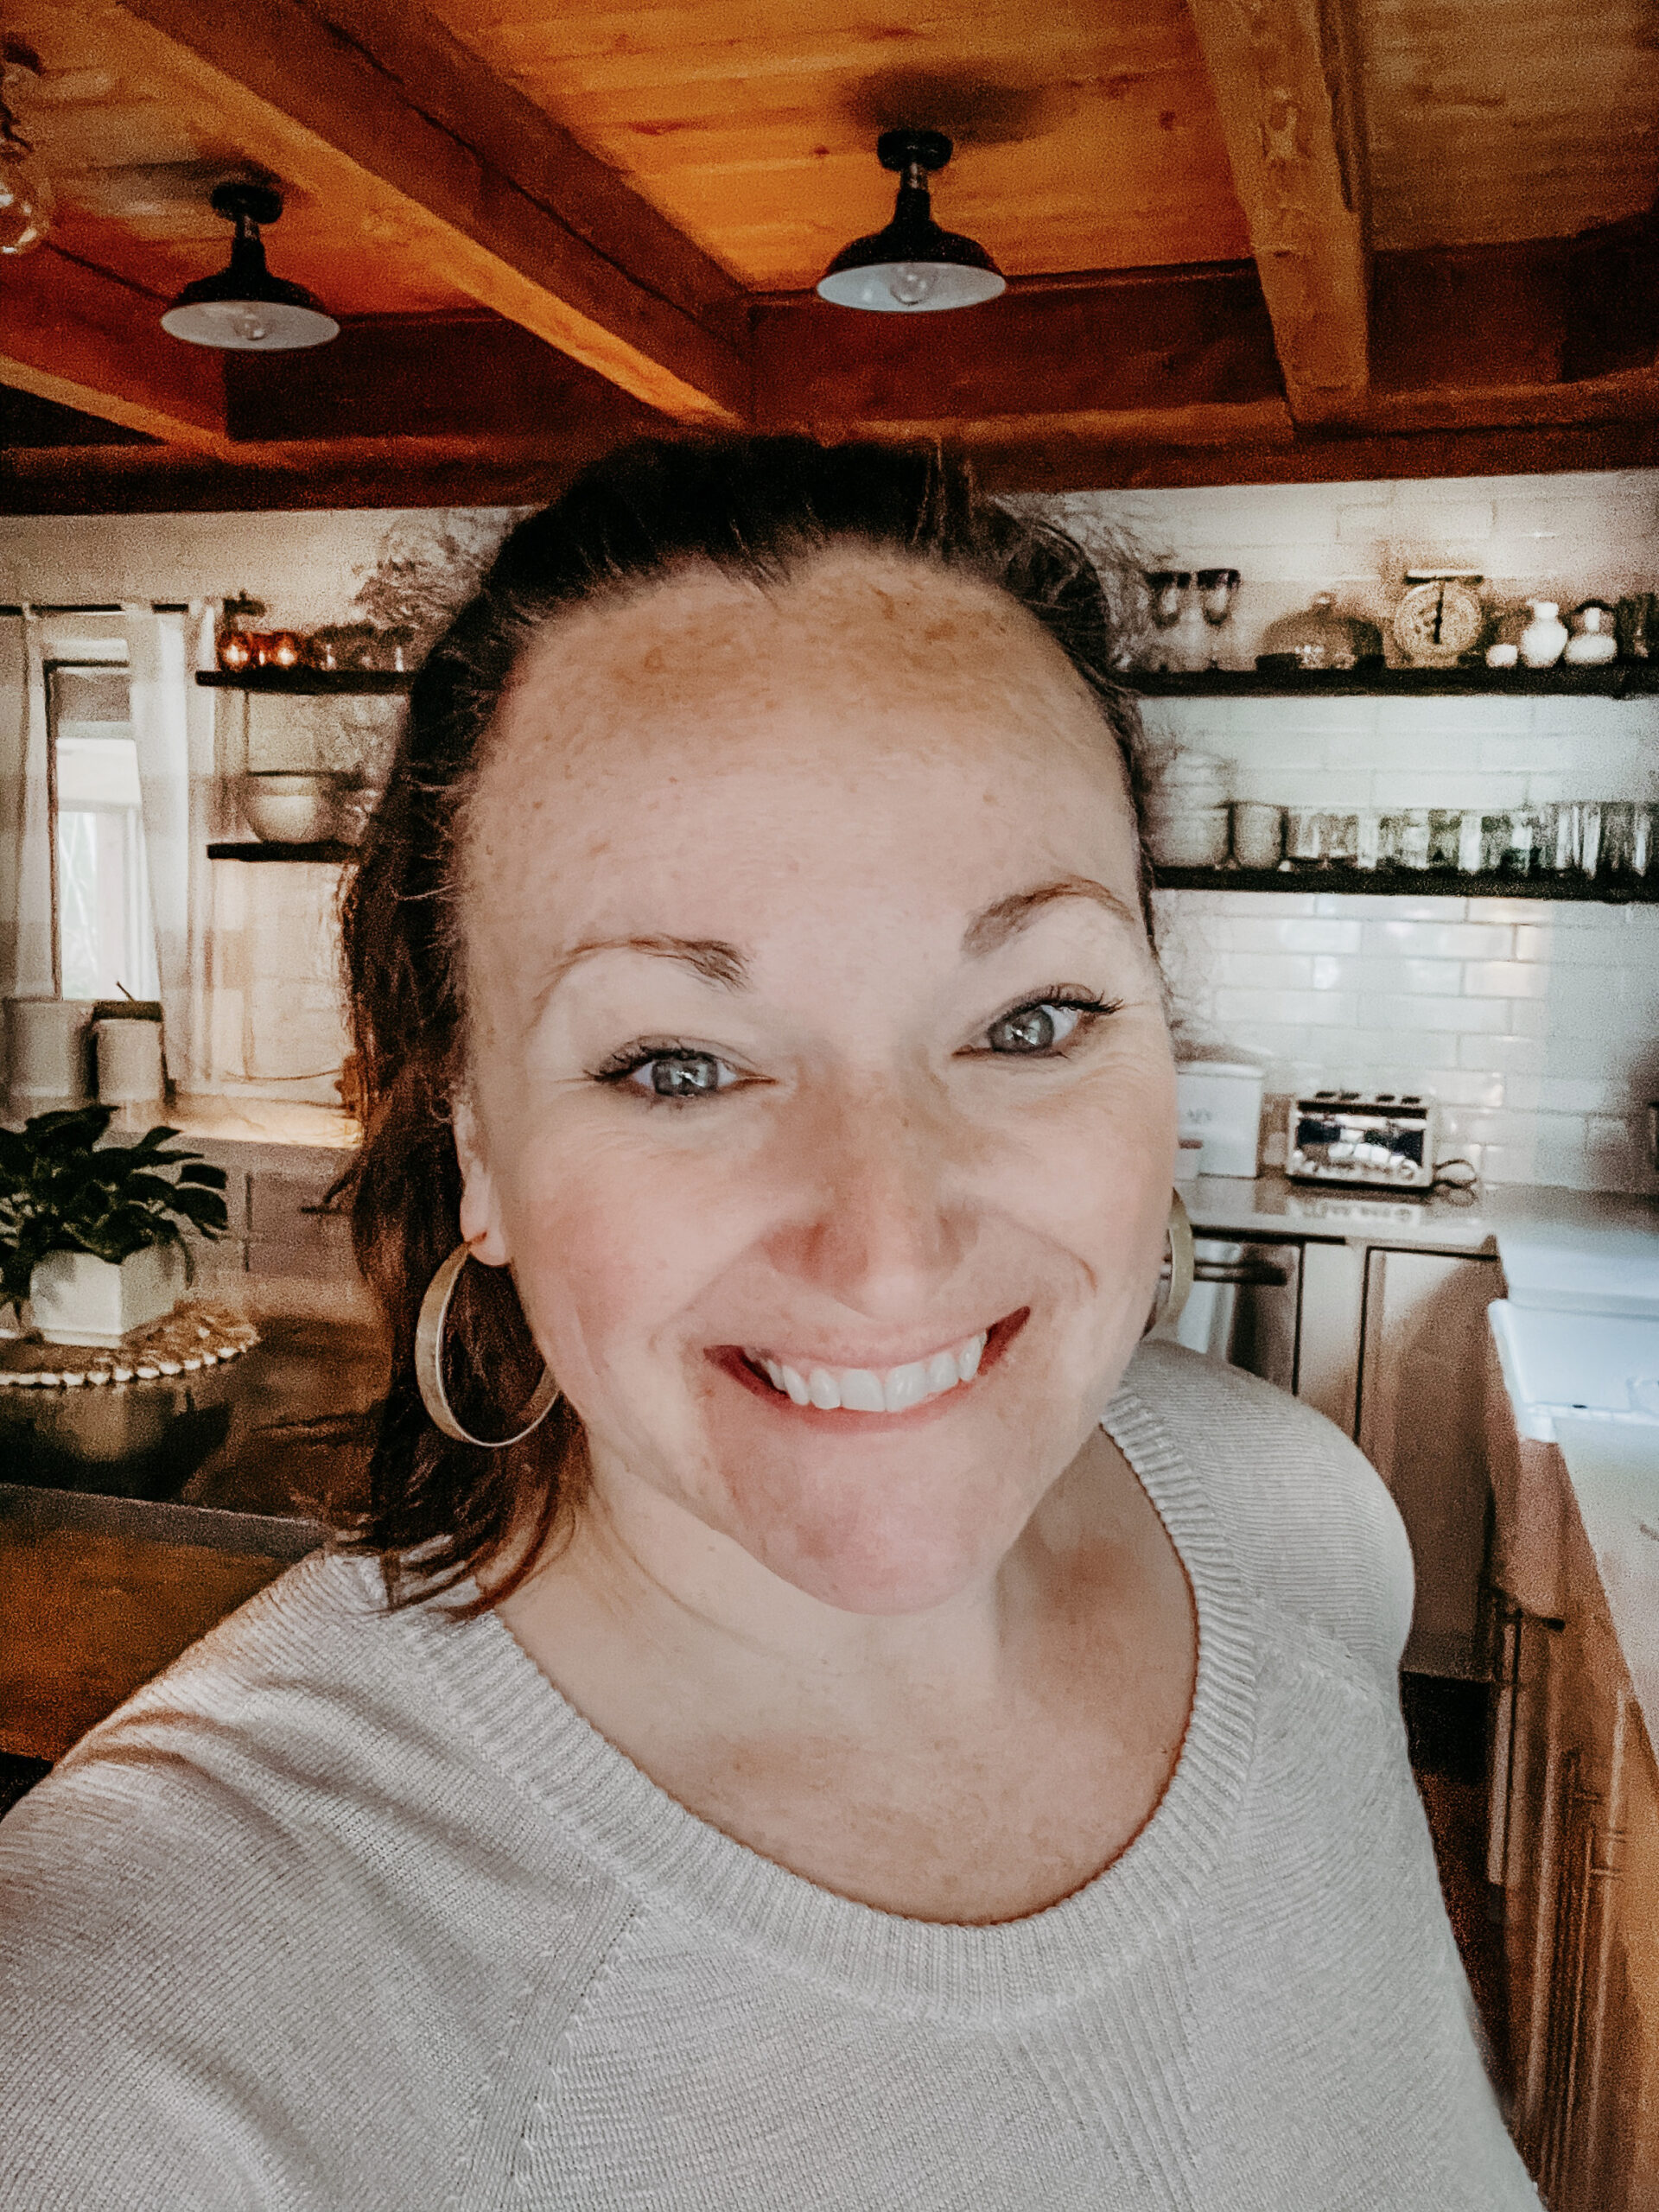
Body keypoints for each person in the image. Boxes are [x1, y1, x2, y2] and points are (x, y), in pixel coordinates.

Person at [0, 437, 1538, 2209]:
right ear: (472, 1142)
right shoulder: (135, 2055)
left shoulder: (1308, 1525)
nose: (885, 1248)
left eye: (1031, 1019)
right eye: (676, 1061)